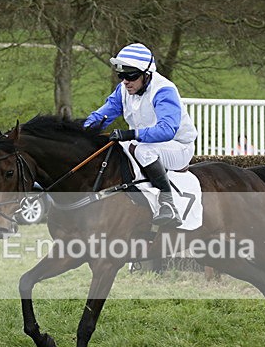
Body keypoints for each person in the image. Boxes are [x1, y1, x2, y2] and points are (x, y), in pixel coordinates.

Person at [84, 43, 197, 227]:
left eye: (131, 76)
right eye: (121, 75)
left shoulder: (164, 90)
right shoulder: (123, 90)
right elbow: (102, 115)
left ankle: (167, 203)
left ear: (147, 74)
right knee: (113, 148)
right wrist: (81, 131)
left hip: (178, 146)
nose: (125, 81)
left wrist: (130, 134)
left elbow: (167, 129)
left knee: (143, 150)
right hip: (143, 144)